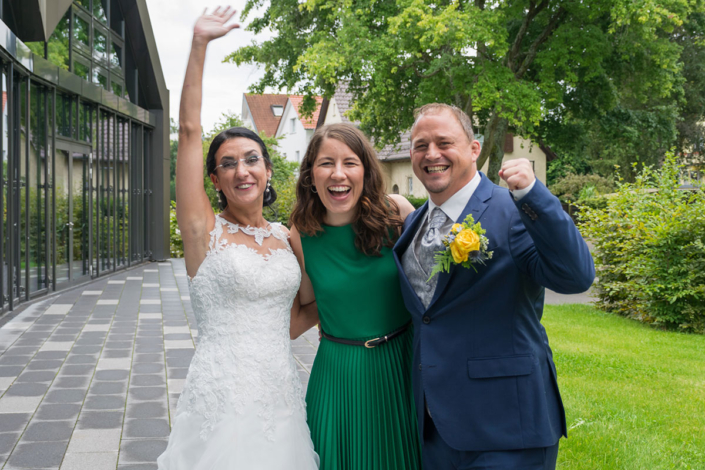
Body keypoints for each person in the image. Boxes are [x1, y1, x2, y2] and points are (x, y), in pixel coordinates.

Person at [157, 7, 319, 469]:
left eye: (251, 159)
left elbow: (297, 316)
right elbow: (189, 131)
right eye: (228, 163)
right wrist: (199, 45)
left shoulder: (288, 237)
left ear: (268, 170)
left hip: (281, 396)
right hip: (222, 397)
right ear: (214, 179)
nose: (241, 170)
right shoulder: (203, 232)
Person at [393, 103, 595, 470]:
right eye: (420, 145)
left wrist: (534, 195)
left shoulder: (514, 211)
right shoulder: (414, 223)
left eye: (444, 142)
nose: (431, 154)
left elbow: (575, 276)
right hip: (434, 427)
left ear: (474, 149)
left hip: (507, 427)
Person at [288, 123, 421, 470]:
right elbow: (303, 311)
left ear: (365, 170)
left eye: (349, 162)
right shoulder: (300, 235)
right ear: (310, 175)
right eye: (325, 163)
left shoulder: (398, 212)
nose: (338, 174)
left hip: (400, 364)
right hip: (338, 373)